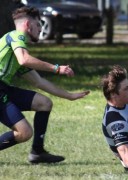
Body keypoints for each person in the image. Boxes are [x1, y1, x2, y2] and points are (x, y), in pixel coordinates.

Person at [0, 6, 90, 163]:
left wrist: (69, 95)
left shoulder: (15, 52)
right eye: (39, 24)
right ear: (28, 24)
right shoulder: (15, 36)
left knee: (44, 103)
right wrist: (56, 68)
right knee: (25, 132)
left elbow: (38, 81)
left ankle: (37, 152)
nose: (41, 29)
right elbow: (25, 59)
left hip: (3, 88)